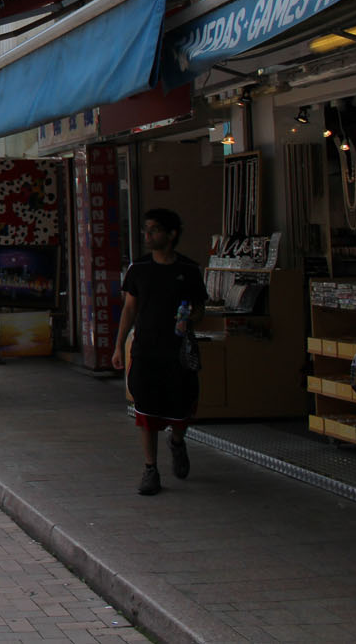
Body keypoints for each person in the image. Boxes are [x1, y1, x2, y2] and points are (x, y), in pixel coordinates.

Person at [111, 208, 207, 496]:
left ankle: (177, 442)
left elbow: (201, 309)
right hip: (145, 351)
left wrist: (191, 318)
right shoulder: (138, 269)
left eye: (154, 230)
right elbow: (129, 309)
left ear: (171, 234)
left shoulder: (189, 270)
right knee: (146, 412)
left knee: (181, 409)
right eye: (146, 230)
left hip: (178, 353)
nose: (147, 235)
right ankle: (150, 468)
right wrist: (119, 346)